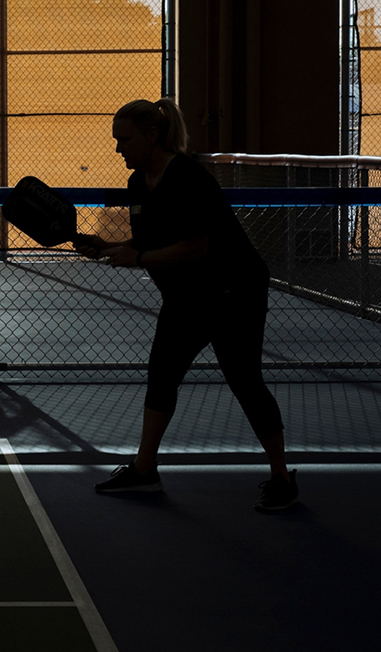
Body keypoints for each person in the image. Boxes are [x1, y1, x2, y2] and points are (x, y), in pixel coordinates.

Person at [75, 98, 299, 511]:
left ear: (152, 136)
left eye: (124, 140)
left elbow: (195, 247)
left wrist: (138, 258)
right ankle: (144, 471)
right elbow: (147, 243)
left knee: (244, 381)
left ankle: (282, 478)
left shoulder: (190, 178)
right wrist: (107, 247)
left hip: (233, 291)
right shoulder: (138, 184)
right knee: (161, 374)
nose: (118, 148)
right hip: (187, 297)